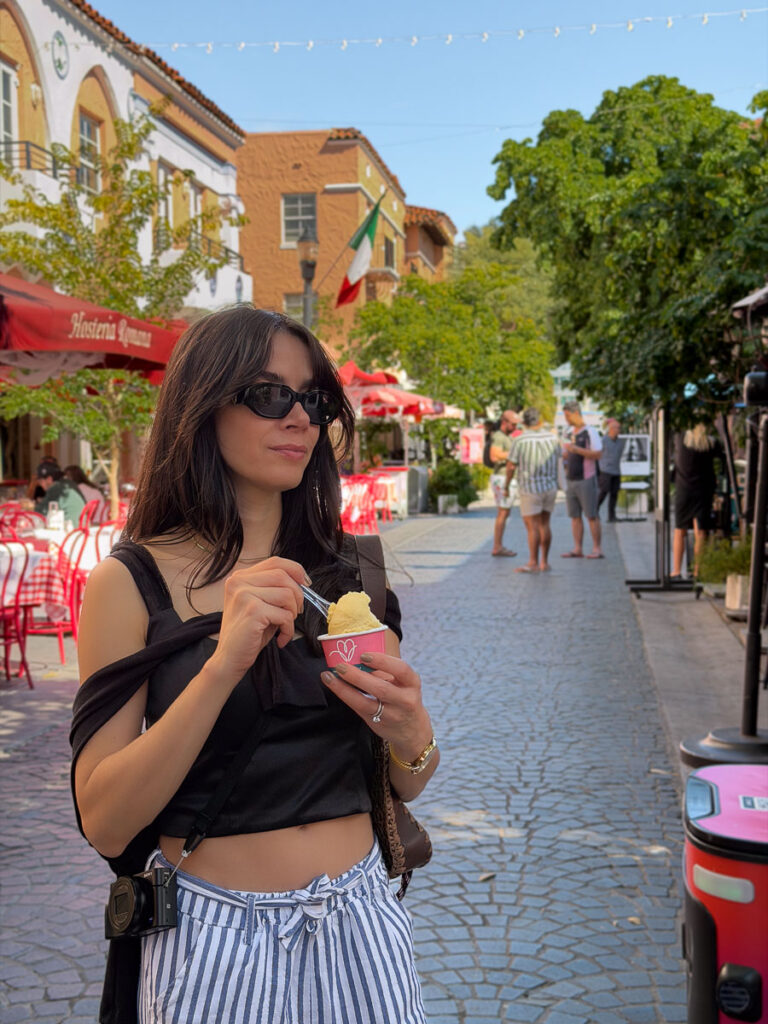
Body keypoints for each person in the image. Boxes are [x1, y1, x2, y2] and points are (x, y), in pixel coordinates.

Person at [71, 306, 437, 1024]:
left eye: (315, 399)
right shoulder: (132, 583)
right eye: (271, 394)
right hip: (214, 938)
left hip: (361, 922)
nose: (299, 418)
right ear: (203, 404)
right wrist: (222, 666)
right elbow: (107, 822)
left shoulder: (352, 572)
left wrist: (412, 731)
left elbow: (409, 780)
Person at [505, 408, 561, 573]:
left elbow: (510, 465)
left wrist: (507, 485)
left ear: (524, 423)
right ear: (540, 421)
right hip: (550, 487)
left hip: (530, 487)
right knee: (545, 524)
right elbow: (559, 458)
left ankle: (532, 562)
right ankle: (544, 562)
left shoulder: (520, 440)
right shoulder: (552, 438)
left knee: (532, 527)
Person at [672, 423, 722, 579]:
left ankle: (676, 570)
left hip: (683, 489)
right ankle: (697, 571)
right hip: (703, 490)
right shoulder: (710, 443)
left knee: (680, 530)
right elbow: (722, 458)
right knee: (700, 532)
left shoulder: (681, 438)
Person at [561, 400, 604, 559]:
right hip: (570, 479)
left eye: (568, 416)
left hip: (587, 478)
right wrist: (566, 454)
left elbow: (598, 454)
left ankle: (597, 549)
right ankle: (577, 548)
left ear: (576, 413)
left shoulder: (590, 432)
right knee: (574, 516)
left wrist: (577, 450)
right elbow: (566, 451)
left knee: (591, 515)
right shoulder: (568, 432)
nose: (566, 419)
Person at [489, 410, 520, 557]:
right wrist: (514, 454)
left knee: (504, 512)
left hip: (504, 478)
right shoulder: (499, 436)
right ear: (504, 422)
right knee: (502, 512)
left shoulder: (507, 437)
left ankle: (498, 545)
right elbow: (494, 455)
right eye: (513, 424)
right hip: (502, 478)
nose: (515, 427)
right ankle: (497, 546)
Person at [597, 419, 626, 523]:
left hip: (616, 471)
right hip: (605, 471)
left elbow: (620, 454)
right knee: (603, 492)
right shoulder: (603, 441)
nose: (619, 429)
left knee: (614, 493)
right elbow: (598, 454)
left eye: (619, 427)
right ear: (611, 429)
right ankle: (595, 510)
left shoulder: (620, 442)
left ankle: (612, 516)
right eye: (617, 428)